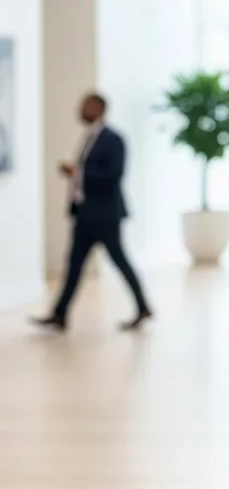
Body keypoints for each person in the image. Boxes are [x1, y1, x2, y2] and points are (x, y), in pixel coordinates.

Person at [31, 93, 152, 332]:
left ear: (99, 108)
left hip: (106, 214)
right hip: (85, 213)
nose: (80, 109)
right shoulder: (89, 137)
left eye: (85, 105)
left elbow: (114, 175)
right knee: (74, 264)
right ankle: (60, 314)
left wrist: (79, 173)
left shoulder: (114, 139)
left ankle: (142, 306)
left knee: (120, 261)